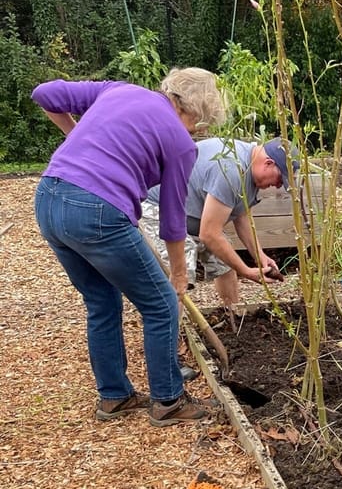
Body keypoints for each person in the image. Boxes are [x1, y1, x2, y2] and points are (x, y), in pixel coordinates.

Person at [33, 68, 227, 425]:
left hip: (48, 198)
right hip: (97, 213)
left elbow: (45, 93)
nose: (197, 130)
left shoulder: (118, 91)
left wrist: (74, 136)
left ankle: (115, 397)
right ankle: (168, 400)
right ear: (197, 113)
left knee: (101, 301)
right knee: (161, 304)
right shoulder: (181, 143)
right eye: (201, 123)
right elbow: (173, 219)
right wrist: (180, 276)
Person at [142, 136, 292, 307]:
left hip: (187, 216)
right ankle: (172, 331)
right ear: (268, 163)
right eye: (280, 179)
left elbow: (241, 216)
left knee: (225, 260)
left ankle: (233, 318)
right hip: (155, 209)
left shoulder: (250, 172)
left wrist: (259, 256)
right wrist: (246, 271)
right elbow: (209, 234)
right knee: (181, 265)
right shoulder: (231, 169)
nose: (278, 185)